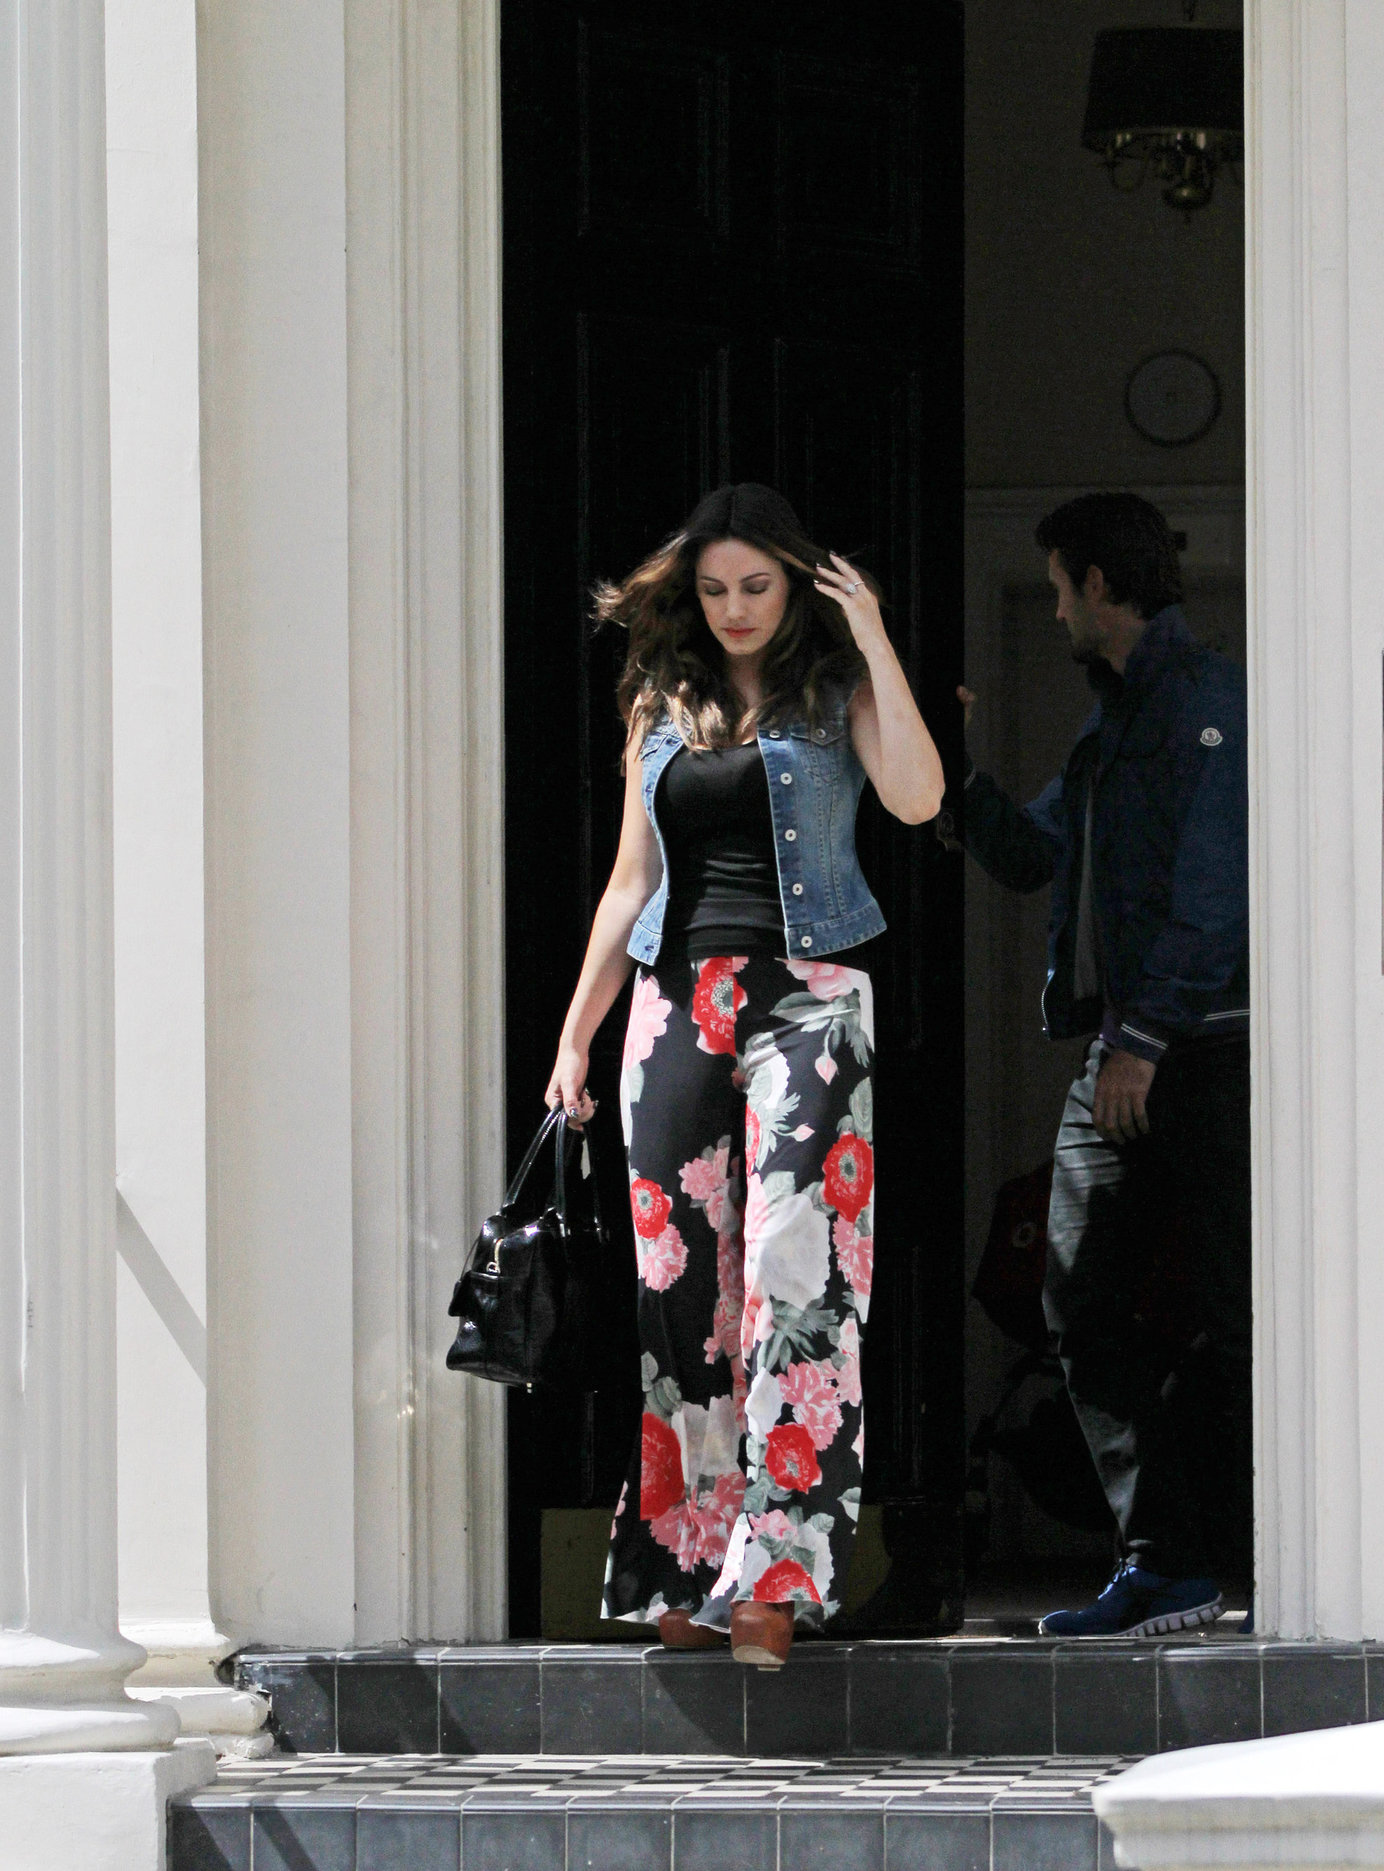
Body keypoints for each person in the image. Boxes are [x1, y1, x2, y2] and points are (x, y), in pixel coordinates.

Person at [547, 483, 943, 1667]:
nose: (733, 609)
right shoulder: (660, 704)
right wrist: (576, 1033)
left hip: (810, 1002)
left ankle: (775, 1572)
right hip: (675, 1005)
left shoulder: (837, 692)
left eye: (756, 587)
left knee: (794, 1265)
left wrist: (871, 633)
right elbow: (628, 883)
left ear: (798, 582)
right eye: (713, 589)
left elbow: (917, 799)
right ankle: (683, 1559)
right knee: (676, 1287)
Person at [952, 491, 1251, 1638]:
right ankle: (1164, 1562)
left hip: (1205, 1050)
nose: (1061, 605)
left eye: (1062, 583)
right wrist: (954, 772)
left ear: (1093, 583)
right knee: (1074, 1296)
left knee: (1242, 1317)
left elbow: (1215, 893)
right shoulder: (1106, 723)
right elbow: (1033, 859)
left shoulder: (1207, 701)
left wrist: (1142, 1039)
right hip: (1124, 1049)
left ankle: (1288, 1555)